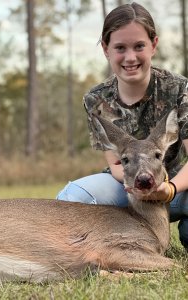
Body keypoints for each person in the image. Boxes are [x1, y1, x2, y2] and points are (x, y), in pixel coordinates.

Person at [56, 2, 188, 249]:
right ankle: (82, 250)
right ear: (106, 49)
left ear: (154, 45)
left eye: (139, 46)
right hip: (127, 189)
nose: (130, 57)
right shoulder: (97, 99)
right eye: (120, 48)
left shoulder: (180, 89)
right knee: (72, 198)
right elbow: (115, 165)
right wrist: (136, 186)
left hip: (177, 187)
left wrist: (167, 189)